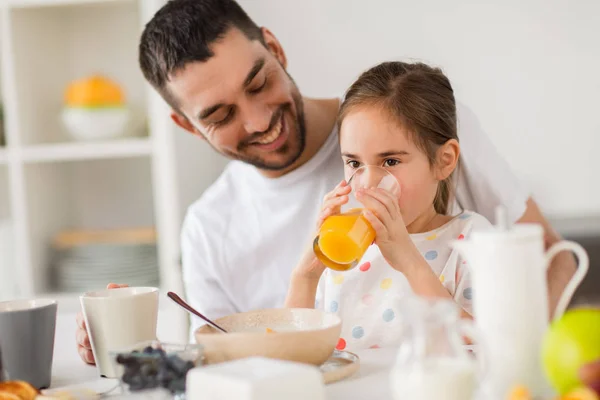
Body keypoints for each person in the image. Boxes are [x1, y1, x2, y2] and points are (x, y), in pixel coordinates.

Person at [76, 0, 576, 364]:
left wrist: (519, 367)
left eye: (258, 83)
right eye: (222, 114)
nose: (256, 121)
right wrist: (133, 348)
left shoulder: (412, 124)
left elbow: (549, 260)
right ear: (187, 126)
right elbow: (223, 360)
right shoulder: (209, 226)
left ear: (275, 48)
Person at [285, 61, 491, 350]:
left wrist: (409, 260)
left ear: (444, 161)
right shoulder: (345, 251)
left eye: (390, 162)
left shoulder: (472, 241)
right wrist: (305, 277)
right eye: (354, 163)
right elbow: (294, 356)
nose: (367, 183)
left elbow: (485, 348)